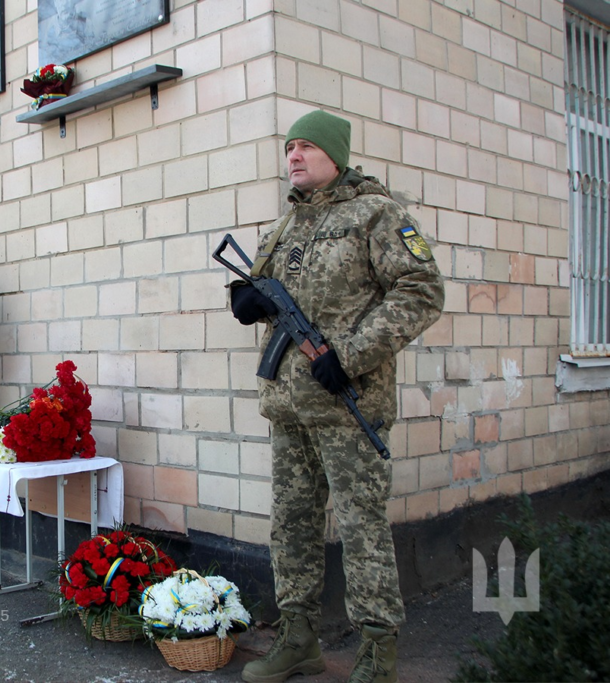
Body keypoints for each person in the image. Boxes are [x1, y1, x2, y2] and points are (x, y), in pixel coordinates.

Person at [231, 110, 445, 683]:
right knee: (291, 525)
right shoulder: (286, 224)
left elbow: (422, 291)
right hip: (289, 406)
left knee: (361, 529)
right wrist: (247, 299)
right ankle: (298, 637)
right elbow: (262, 287)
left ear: (335, 155)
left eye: (305, 147)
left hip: (348, 404)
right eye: (289, 147)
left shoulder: (377, 213)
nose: (293, 156)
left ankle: (378, 651)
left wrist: (346, 356)